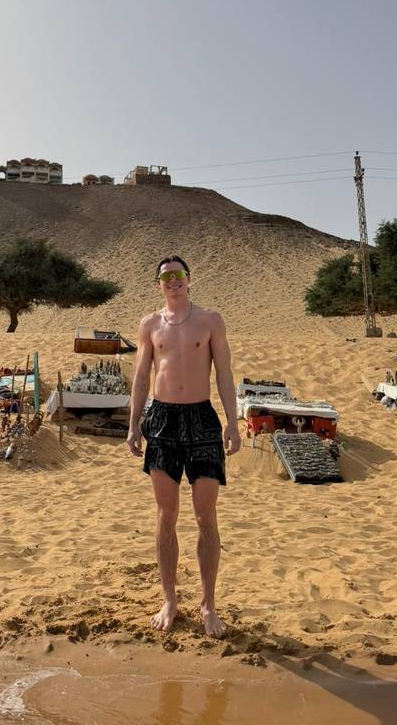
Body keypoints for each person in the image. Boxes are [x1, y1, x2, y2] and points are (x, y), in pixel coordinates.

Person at [126, 255, 241, 638]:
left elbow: (224, 372)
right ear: (158, 284)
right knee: (166, 513)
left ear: (189, 279)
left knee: (205, 515)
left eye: (178, 275)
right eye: (166, 277)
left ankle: (208, 604)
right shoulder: (149, 325)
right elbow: (141, 377)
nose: (173, 281)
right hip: (161, 422)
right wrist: (133, 425)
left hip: (202, 421)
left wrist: (232, 423)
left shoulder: (210, 320)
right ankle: (170, 600)